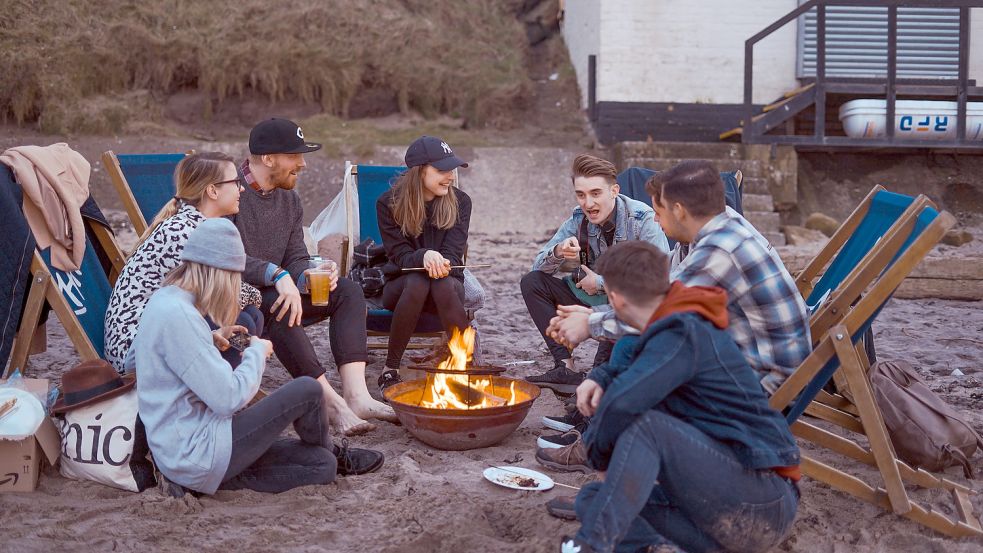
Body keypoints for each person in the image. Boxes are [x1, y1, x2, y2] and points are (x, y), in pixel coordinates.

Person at [543, 241, 800, 553]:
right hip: (718, 509)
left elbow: (624, 402)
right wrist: (600, 377)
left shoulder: (684, 330)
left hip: (761, 500)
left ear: (614, 298)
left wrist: (598, 455)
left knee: (647, 428)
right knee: (593, 499)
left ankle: (591, 546)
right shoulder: (670, 326)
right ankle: (659, 547)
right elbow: (638, 365)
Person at [127, 219, 384, 496]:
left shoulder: (166, 300)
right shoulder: (180, 316)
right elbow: (228, 399)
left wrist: (209, 338)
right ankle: (332, 450)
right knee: (308, 390)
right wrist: (256, 353)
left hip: (187, 452)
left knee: (322, 466)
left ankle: (328, 455)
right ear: (219, 272)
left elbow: (142, 358)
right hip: (197, 451)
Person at [548, 160, 811, 396]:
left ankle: (601, 424)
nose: (654, 219)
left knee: (641, 352)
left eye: (658, 212)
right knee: (632, 346)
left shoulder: (721, 250)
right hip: (744, 353)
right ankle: (596, 420)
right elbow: (664, 285)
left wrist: (590, 323)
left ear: (679, 211)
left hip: (767, 380)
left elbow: (661, 311)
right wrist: (599, 310)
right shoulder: (715, 226)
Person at [232, 118, 396, 435]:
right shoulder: (230, 192)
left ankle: (357, 396)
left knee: (348, 291)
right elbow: (224, 256)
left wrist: (308, 273)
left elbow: (295, 255)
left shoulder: (289, 200)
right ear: (269, 158)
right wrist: (277, 275)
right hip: (238, 299)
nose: (303, 164)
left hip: (281, 290)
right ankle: (331, 404)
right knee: (281, 305)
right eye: (295, 156)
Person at [520, 153, 669, 395]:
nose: (588, 203)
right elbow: (537, 266)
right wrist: (559, 251)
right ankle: (565, 368)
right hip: (590, 299)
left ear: (614, 191)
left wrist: (599, 282)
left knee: (599, 376)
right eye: (581, 195)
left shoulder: (642, 219)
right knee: (532, 282)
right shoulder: (578, 218)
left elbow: (659, 279)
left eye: (595, 193)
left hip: (627, 307)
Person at [105, 152, 264, 373]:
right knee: (240, 319)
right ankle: (222, 383)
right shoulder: (183, 233)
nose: (242, 189)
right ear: (212, 191)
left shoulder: (191, 224)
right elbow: (225, 295)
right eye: (236, 182)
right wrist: (260, 291)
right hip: (136, 350)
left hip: (160, 332)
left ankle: (228, 378)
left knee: (250, 317)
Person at [375, 136, 472, 391]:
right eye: (442, 170)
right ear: (420, 171)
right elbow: (400, 256)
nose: (450, 176)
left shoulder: (461, 202)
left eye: (452, 169)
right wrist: (424, 256)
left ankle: (464, 366)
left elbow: (454, 254)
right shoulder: (388, 204)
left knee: (441, 282)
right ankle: (390, 368)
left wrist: (440, 261)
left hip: (447, 289)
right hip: (402, 289)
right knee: (418, 281)